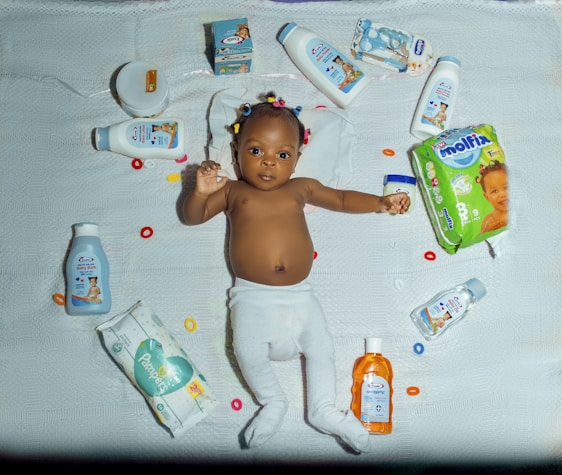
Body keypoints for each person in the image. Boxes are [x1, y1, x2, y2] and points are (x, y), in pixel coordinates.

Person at [182, 93, 410, 453]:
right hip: (251, 296)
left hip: (301, 295)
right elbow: (191, 217)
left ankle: (322, 409)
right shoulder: (232, 191)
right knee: (246, 349)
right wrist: (199, 192)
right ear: (237, 149)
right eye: (256, 151)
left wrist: (380, 203)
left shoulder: (300, 188)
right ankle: (272, 400)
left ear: (297, 159)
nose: (268, 163)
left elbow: (341, 199)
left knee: (321, 346)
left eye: (282, 155)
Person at [478, 160, 508, 234]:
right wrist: (485, 231)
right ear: (487, 197)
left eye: (507, 187)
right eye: (494, 191)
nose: (502, 195)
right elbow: (479, 238)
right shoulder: (489, 219)